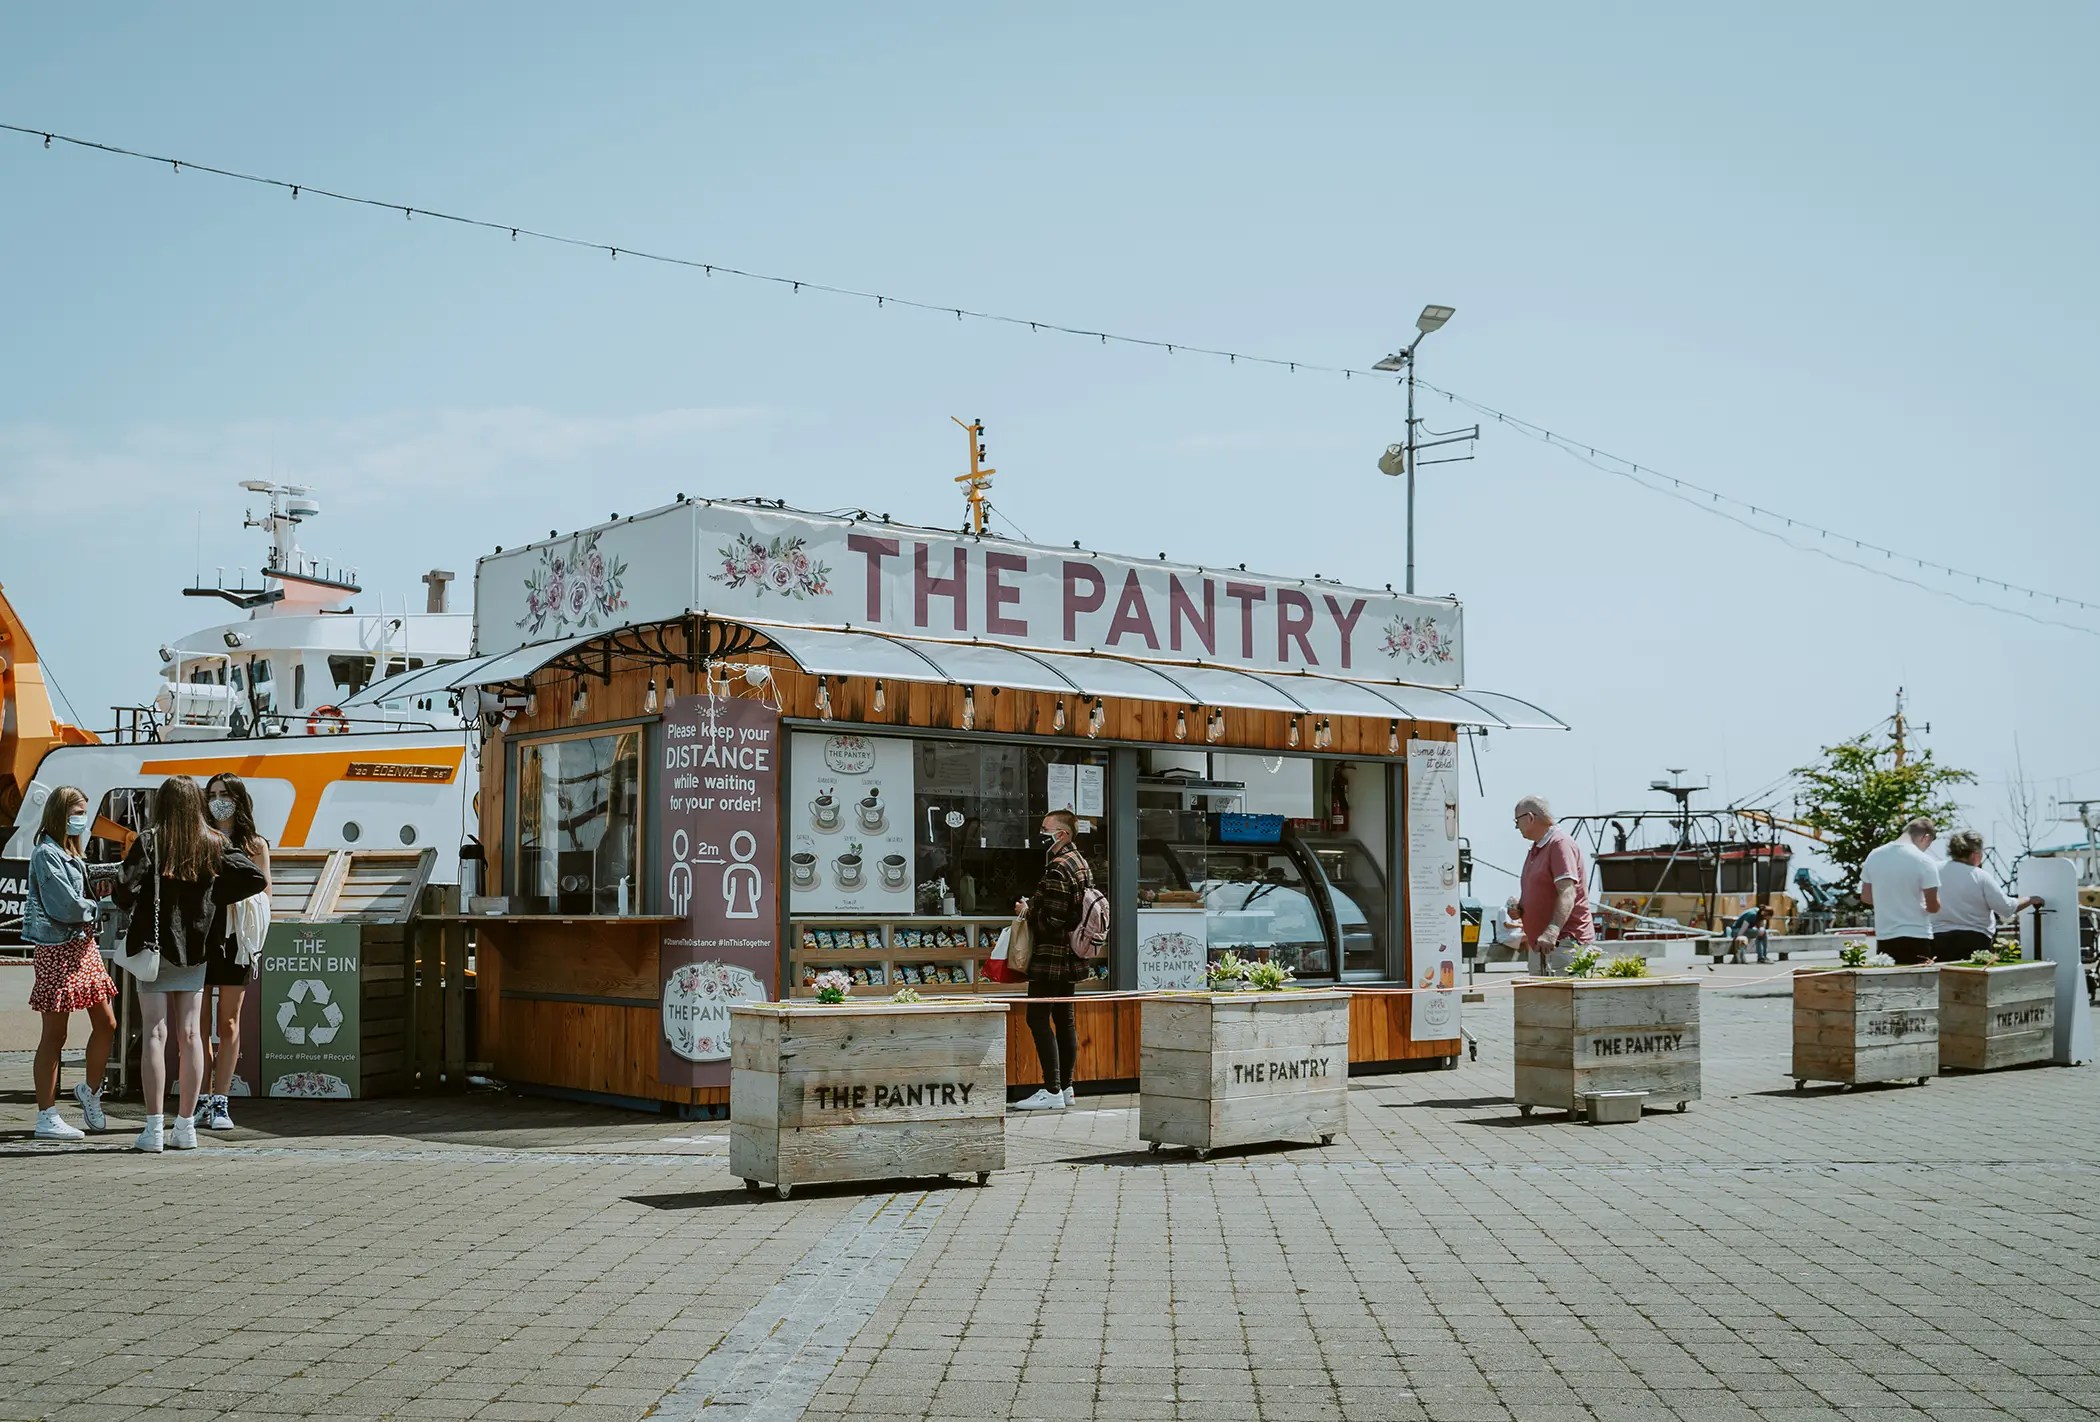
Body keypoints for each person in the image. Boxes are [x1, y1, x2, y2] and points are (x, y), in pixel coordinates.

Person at [114, 777, 267, 1153]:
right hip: (197, 948)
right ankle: (186, 1127)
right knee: (191, 1035)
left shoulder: (149, 840)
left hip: (153, 946)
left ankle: (152, 1129)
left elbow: (122, 890)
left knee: (155, 1033)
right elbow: (255, 877)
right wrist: (212, 897)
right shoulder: (213, 843)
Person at [22, 786, 119, 1140]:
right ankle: (46, 1114)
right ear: (61, 813)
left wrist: (123, 869)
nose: (82, 819)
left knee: (107, 1022)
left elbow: (86, 876)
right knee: (55, 1033)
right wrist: (101, 908)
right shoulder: (45, 854)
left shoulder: (68, 851)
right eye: (78, 812)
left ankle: (90, 1092)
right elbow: (65, 904)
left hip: (83, 948)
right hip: (58, 949)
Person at [196, 773, 272, 1132]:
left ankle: (221, 1100)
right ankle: (198, 1097)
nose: (217, 801)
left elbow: (266, 896)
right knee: (194, 1024)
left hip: (237, 940)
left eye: (224, 794)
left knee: (227, 1022)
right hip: (199, 937)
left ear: (238, 799)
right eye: (212, 794)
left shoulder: (254, 844)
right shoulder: (199, 839)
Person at [1011, 809, 1090, 1111]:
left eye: (1046, 829)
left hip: (1052, 955)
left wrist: (1026, 910)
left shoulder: (1058, 867)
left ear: (1063, 834)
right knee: (1064, 1019)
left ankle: (1052, 1088)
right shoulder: (1080, 862)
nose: (1040, 834)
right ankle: (1067, 1087)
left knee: (1038, 1017)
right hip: (1071, 954)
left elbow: (1053, 919)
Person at [1932, 829, 2041, 960]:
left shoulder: (1934, 870)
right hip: (1974, 941)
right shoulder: (1980, 876)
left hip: (1937, 939)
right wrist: (2030, 899)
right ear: (1975, 854)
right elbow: (2006, 907)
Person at [1515, 795, 1593, 974]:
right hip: (1543, 946)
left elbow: (1567, 892)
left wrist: (1552, 930)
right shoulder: (1537, 848)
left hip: (1564, 943)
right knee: (1542, 1000)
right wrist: (1521, 908)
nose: (1516, 827)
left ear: (1530, 818)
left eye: (1517, 820)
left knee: (1565, 1001)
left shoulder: (1560, 844)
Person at [1859, 817, 1943, 965]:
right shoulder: (1924, 861)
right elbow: (1933, 906)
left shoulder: (1874, 855)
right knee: (1919, 986)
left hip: (1885, 935)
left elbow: (1866, 897)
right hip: (1917, 935)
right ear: (1926, 837)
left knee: (1888, 984)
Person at [1715, 904, 1773, 968]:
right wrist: (1739, 938)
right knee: (1762, 934)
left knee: (1762, 934)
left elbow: (1761, 927)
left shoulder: (1759, 915)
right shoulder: (1752, 914)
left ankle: (1762, 956)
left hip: (1745, 930)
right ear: (1766, 914)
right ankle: (1762, 957)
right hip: (1736, 930)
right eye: (1768, 917)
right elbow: (1743, 928)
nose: (1768, 919)